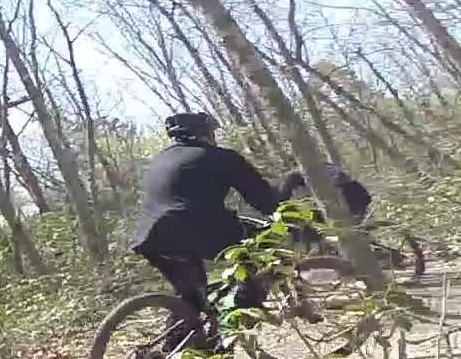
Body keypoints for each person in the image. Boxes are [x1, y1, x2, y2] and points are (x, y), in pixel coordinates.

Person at [130, 112, 281, 320]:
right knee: (263, 245)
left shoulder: (160, 159)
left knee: (191, 303)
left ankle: (178, 347)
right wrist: (289, 191)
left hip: (150, 237)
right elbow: (264, 200)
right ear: (204, 134)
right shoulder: (219, 157)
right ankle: (244, 309)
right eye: (212, 132)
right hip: (192, 229)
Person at [278, 162, 373, 223]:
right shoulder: (310, 175)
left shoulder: (318, 181)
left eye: (295, 195)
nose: (297, 198)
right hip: (353, 192)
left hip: (351, 194)